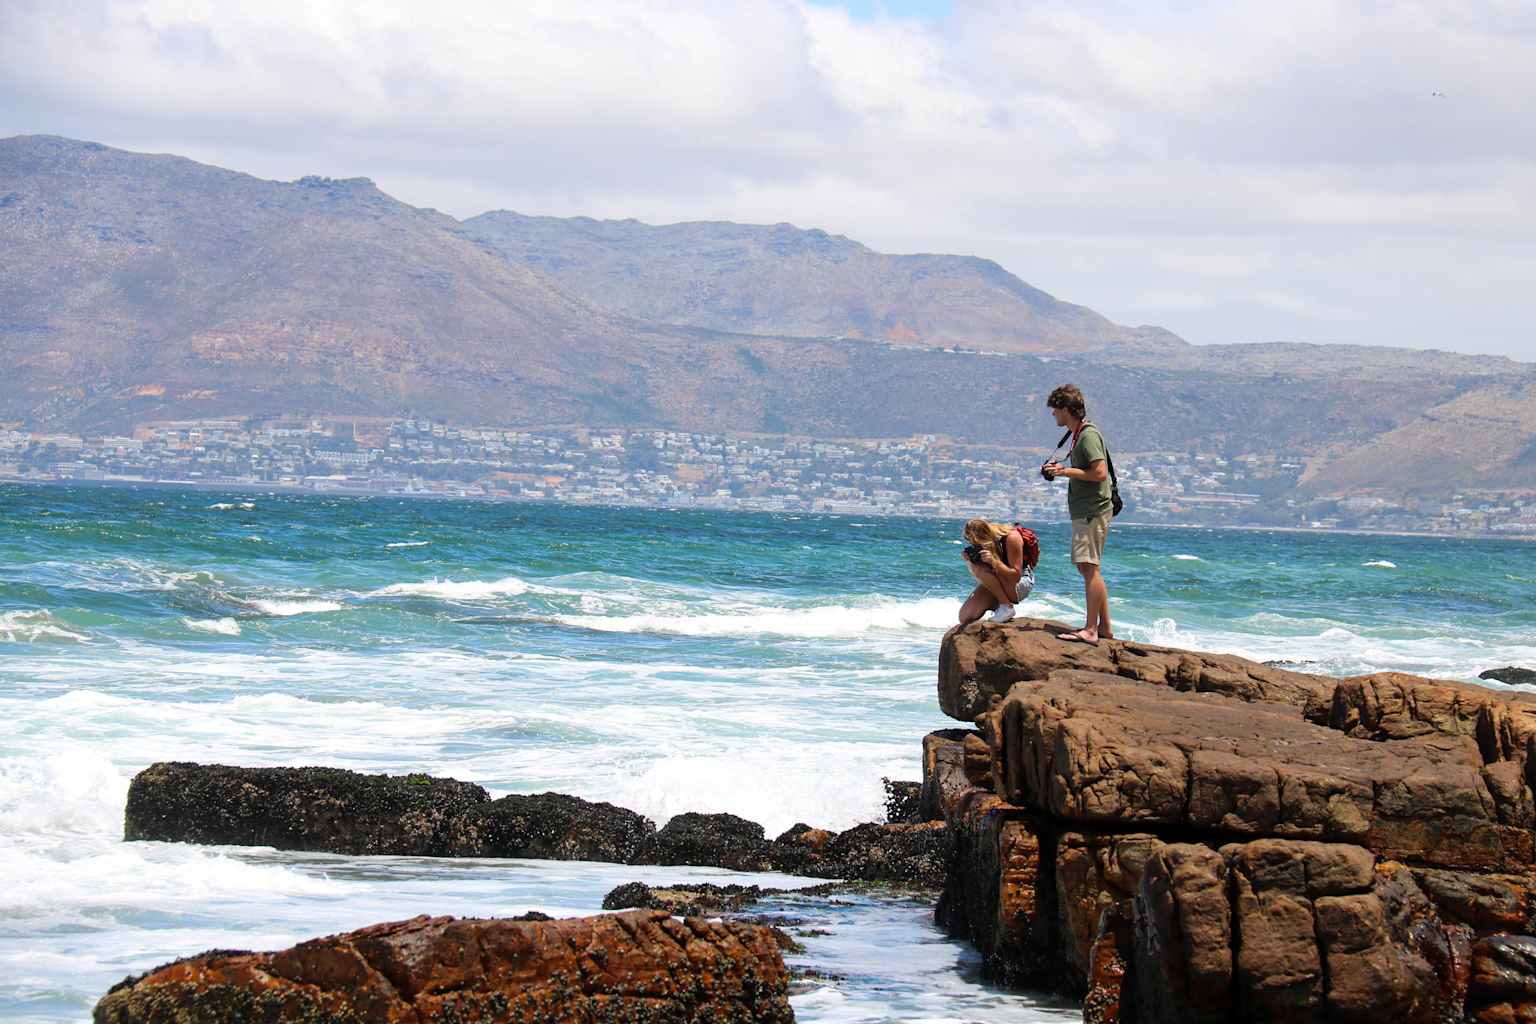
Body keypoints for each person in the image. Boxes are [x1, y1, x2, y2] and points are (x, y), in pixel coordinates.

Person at [1041, 384, 1114, 645]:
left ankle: (1091, 630)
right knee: (1088, 567)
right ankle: (1103, 628)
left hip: (1092, 510)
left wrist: (1064, 472)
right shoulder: (1078, 435)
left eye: (1055, 410)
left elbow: (1100, 473)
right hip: (1087, 509)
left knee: (1088, 567)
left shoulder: (1087, 436)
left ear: (1066, 409)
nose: (1053, 415)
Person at [958, 518, 1036, 625]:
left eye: (977, 542)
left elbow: (1016, 576)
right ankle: (1000, 606)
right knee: (965, 617)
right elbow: (982, 576)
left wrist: (994, 562)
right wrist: (970, 562)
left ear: (986, 535)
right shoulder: (986, 542)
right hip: (999, 583)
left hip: (1021, 584)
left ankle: (1006, 607)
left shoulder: (1011, 538)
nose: (976, 545)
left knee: (980, 569)